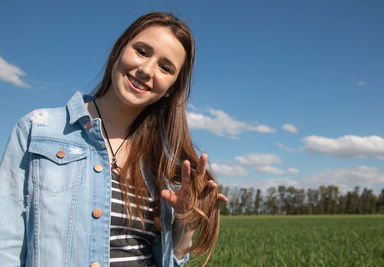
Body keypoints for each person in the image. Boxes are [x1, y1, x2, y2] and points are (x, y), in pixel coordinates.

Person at [0, 12, 227, 267]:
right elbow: (5, 246)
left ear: (171, 88)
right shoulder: (36, 130)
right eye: (141, 51)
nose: (146, 70)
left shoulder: (157, 165)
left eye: (165, 67)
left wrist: (185, 223)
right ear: (119, 49)